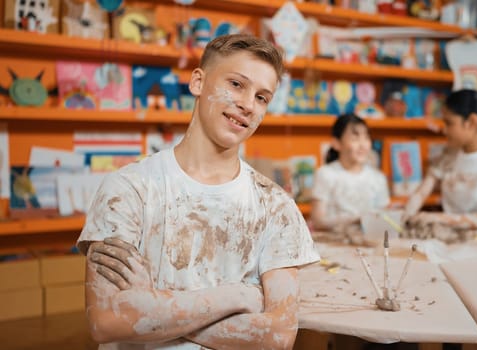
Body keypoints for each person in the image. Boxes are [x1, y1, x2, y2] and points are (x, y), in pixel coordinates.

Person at [77, 34, 320, 350]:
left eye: (262, 97)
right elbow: (106, 321)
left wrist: (154, 306)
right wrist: (238, 296)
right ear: (197, 82)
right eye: (236, 84)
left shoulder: (276, 206)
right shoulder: (127, 190)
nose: (248, 104)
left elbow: (277, 337)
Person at [402, 89, 477, 236]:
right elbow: (420, 194)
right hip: (452, 239)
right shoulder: (447, 157)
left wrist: (435, 218)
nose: (444, 130)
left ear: (471, 122)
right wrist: (405, 218)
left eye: (449, 123)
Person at [311, 113, 390, 237]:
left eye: (366, 138)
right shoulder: (325, 174)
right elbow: (317, 221)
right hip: (334, 245)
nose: (362, 145)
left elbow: (384, 219)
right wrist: (356, 219)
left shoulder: (378, 178)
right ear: (336, 143)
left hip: (369, 244)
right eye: (355, 139)